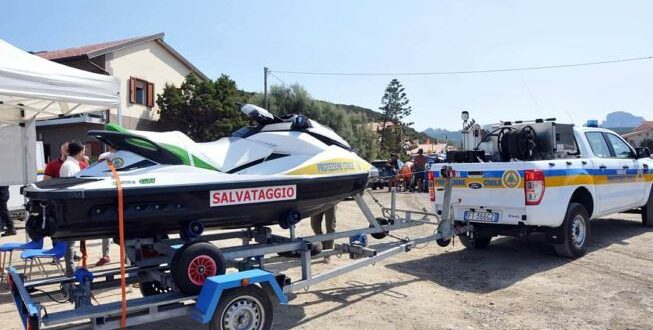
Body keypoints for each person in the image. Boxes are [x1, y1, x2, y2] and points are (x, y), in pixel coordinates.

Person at [60, 140, 86, 275]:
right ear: (81, 151)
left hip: (72, 207)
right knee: (70, 242)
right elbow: (70, 188)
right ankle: (70, 271)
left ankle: (71, 270)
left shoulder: (70, 164)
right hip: (71, 207)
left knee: (72, 241)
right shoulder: (69, 166)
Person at [95, 146, 116, 267]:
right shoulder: (103, 156)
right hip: (107, 194)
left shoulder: (125, 155)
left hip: (120, 192)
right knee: (106, 228)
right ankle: (106, 255)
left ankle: (126, 256)